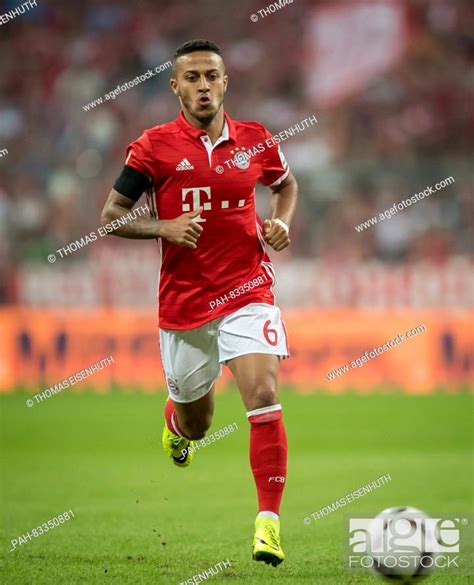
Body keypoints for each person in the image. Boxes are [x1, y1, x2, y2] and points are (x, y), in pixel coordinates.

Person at [101, 39, 298, 567]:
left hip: (249, 292)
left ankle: (268, 525)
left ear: (226, 81)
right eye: (192, 78)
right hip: (186, 304)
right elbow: (110, 217)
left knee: (262, 391)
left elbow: (286, 186)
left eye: (212, 76)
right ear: (176, 87)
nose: (203, 85)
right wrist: (163, 226)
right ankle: (174, 424)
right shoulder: (152, 147)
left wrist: (280, 223)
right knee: (198, 424)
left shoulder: (256, 139)